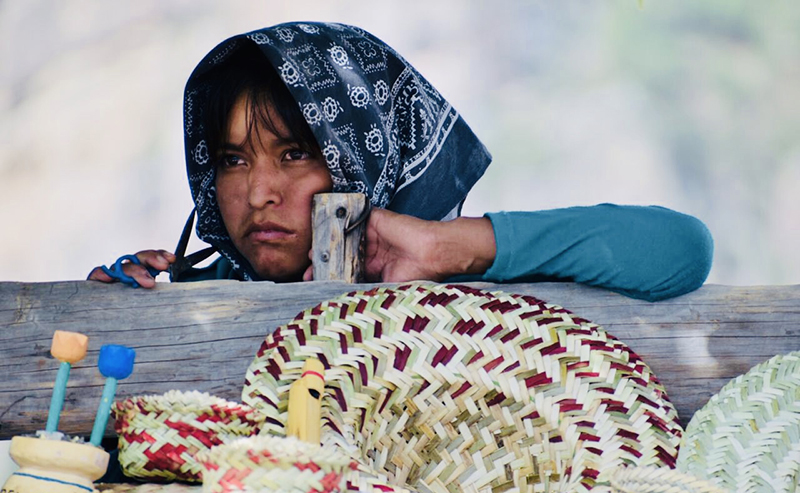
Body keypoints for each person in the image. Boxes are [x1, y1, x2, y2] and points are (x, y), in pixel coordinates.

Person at [88, 21, 713, 302]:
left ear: (367, 152)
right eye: (231, 160)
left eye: (296, 153)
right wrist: (114, 323)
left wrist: (450, 248)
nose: (257, 195)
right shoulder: (191, 293)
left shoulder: (451, 281)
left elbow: (682, 248)